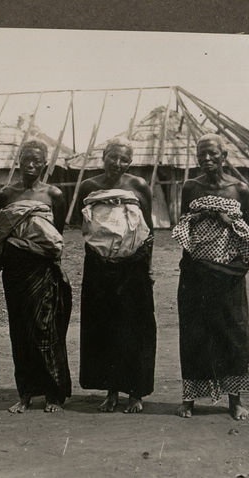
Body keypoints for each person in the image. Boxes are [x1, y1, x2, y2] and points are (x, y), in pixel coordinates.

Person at [173, 133, 249, 420]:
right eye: (202, 154)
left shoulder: (240, 189)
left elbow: (247, 232)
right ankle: (190, 398)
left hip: (229, 274)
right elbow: (184, 224)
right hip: (196, 273)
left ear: (225, 156)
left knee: (232, 333)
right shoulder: (190, 187)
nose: (207, 159)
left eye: (213, 154)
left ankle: (234, 400)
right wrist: (200, 218)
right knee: (194, 332)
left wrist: (226, 220)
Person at [75, 138, 156, 413]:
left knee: (135, 327)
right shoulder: (89, 187)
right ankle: (111, 392)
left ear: (130, 162)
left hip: (133, 266)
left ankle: (135, 392)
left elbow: (149, 230)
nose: (118, 164)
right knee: (105, 327)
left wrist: (147, 267)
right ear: (104, 156)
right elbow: (88, 227)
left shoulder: (138, 186)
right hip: (99, 266)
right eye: (113, 158)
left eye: (124, 160)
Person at [0, 140, 72, 413]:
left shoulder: (54, 194)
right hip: (15, 271)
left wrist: (44, 256)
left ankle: (53, 393)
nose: (30, 165)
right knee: (20, 331)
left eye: (36, 161)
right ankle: (25, 393)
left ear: (45, 164)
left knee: (46, 330)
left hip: (43, 269)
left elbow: (56, 235)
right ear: (18, 160)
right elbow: (3, 233)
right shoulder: (7, 195)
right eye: (26, 159)